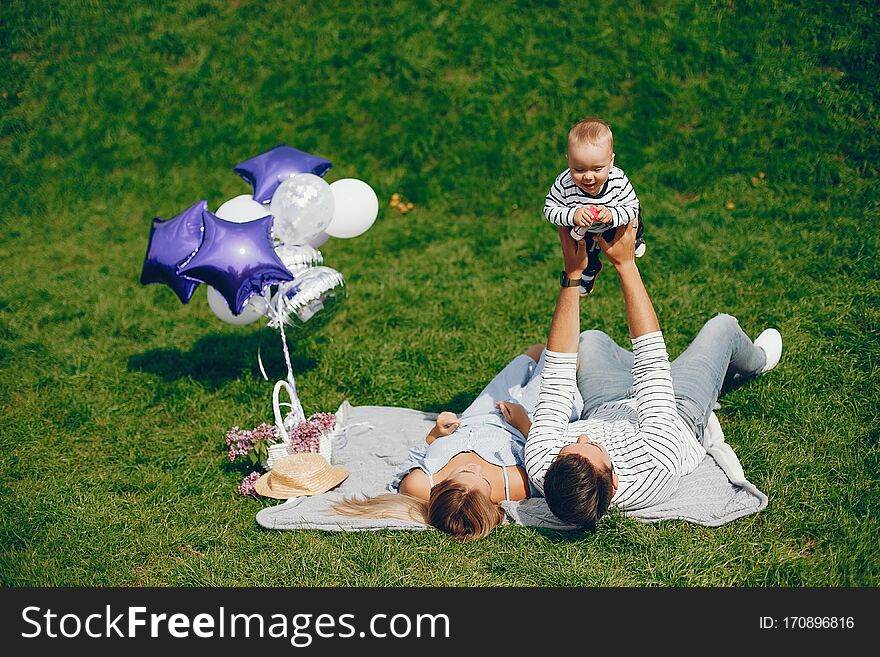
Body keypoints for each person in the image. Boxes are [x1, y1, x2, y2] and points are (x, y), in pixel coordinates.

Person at [524, 221, 783, 530]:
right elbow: (652, 363)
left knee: (589, 340)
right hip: (678, 409)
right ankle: (757, 362)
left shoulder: (542, 465)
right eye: (593, 446)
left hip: (606, 404)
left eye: (570, 446)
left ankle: (691, 371)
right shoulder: (656, 459)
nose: (583, 435)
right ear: (616, 480)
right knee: (722, 327)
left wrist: (573, 276)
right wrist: (625, 264)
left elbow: (557, 377)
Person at [332, 344, 583, 541]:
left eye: (462, 472)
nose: (475, 468)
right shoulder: (513, 485)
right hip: (530, 418)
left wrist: (435, 434)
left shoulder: (419, 485)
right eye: (484, 481)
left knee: (534, 352)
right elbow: (547, 453)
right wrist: (523, 423)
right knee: (564, 357)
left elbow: (420, 454)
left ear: (439, 488)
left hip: (477, 415)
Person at [544, 117, 645, 295]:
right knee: (585, 255)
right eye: (579, 169)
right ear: (569, 161)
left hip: (614, 222)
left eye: (597, 169)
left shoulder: (618, 179)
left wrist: (613, 215)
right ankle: (589, 273)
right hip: (586, 232)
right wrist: (573, 215)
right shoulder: (564, 183)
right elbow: (549, 209)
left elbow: (632, 206)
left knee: (634, 220)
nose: (588, 177)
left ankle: (636, 240)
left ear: (611, 162)